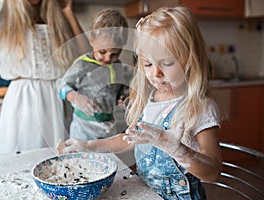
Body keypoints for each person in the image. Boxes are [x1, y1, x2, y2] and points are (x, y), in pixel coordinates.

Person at [57, 6, 222, 199]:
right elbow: (128, 140)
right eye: (148, 64)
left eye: (167, 63)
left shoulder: (200, 107)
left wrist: (178, 150)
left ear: (191, 59)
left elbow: (213, 172)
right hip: (146, 193)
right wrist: (89, 146)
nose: (155, 74)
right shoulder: (150, 99)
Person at [0, 0, 89, 154]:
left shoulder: (57, 17)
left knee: (57, 162)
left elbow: (86, 55)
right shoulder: (3, 14)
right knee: (22, 157)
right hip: (23, 100)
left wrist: (68, 14)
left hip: (56, 98)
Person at [59, 9, 130, 140]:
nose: (108, 58)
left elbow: (119, 89)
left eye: (114, 53)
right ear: (91, 40)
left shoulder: (118, 67)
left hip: (108, 128)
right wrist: (76, 97)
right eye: (102, 52)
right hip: (83, 129)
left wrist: (122, 98)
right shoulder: (82, 65)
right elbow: (62, 88)